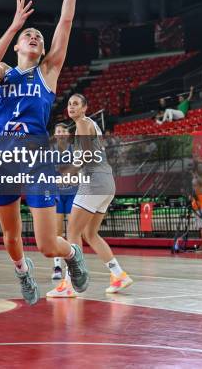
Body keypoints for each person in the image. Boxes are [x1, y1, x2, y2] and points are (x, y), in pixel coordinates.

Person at [0, 0, 92, 305]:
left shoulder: (47, 73)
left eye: (38, 38)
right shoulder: (2, 74)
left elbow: (65, 21)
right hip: (2, 156)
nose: (35, 38)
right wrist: (15, 24)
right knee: (11, 236)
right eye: (28, 36)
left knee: (48, 245)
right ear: (17, 44)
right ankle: (21, 271)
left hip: (34, 156)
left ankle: (72, 255)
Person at [48, 93, 133, 297]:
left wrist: (67, 175)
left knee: (73, 233)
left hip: (94, 182)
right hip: (107, 182)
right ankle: (118, 274)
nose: (71, 107)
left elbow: (86, 155)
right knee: (90, 234)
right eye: (69, 104)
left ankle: (69, 283)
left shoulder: (84, 124)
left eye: (76, 104)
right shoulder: (88, 125)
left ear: (85, 108)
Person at [51, 122, 78, 281]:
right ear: (55, 135)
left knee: (73, 231)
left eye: (63, 131)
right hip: (57, 194)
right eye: (58, 131)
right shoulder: (50, 152)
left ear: (67, 134)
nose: (61, 133)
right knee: (57, 232)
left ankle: (72, 265)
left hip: (73, 192)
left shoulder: (74, 150)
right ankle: (57, 266)